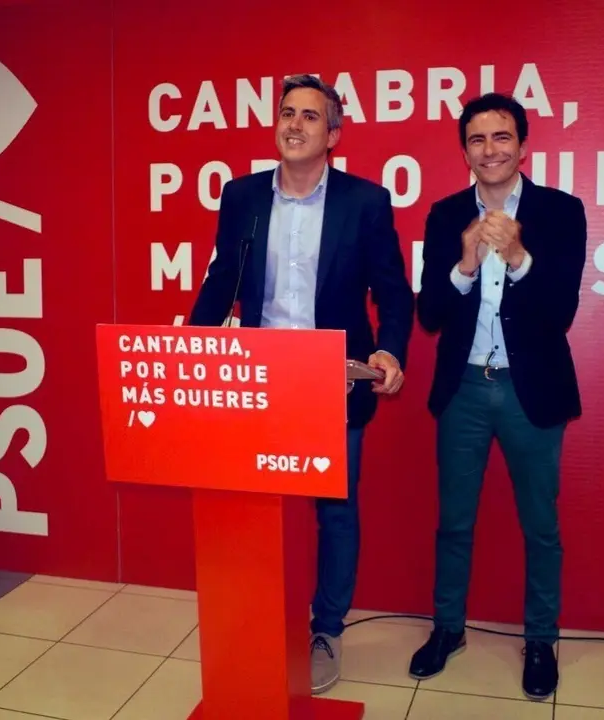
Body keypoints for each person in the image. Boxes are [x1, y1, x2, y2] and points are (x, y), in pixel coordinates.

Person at [189, 74, 415, 694]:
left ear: (333, 135)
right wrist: (193, 350)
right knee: (256, 510)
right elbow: (221, 282)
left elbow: (393, 291)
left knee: (335, 512)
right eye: (287, 113)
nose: (294, 124)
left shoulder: (364, 202)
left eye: (310, 116)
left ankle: (326, 630)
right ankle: (262, 620)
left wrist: (390, 348)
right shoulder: (241, 196)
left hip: (332, 381)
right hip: (259, 380)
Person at [410, 92, 587, 701]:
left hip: (528, 389)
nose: (490, 149)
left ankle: (540, 639)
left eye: (502, 136)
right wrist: (465, 263)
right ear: (465, 151)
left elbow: (560, 311)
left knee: (540, 525)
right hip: (462, 387)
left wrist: (516, 257)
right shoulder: (444, 215)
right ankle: (447, 629)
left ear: (523, 145)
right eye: (478, 139)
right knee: (454, 521)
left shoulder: (560, 211)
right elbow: (430, 315)